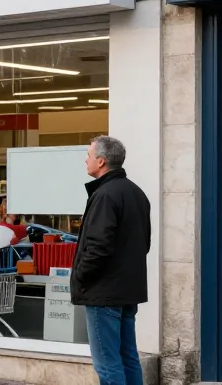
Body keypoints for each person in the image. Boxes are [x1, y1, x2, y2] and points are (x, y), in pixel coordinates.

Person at [71, 135, 150, 385]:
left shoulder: (105, 195)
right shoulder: (136, 193)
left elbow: (97, 247)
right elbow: (144, 244)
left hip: (103, 292)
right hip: (126, 290)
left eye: (89, 154)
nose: (86, 159)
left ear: (102, 161)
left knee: (107, 363)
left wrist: (81, 275)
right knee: (128, 358)